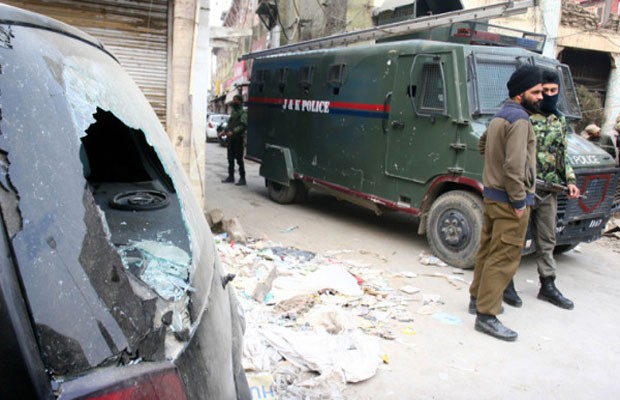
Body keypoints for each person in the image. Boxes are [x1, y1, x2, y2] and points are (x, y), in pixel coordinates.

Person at [468, 65, 542, 341]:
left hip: (493, 195)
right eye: (536, 92)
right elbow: (514, 166)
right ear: (520, 93)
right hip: (510, 201)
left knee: (488, 250)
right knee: (504, 257)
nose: (541, 97)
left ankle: (476, 299)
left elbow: (483, 146)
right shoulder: (520, 120)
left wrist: (494, 170)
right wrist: (519, 201)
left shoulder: (500, 115)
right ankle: (486, 315)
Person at [502, 70, 581, 311]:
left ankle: (548, 284)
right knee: (515, 239)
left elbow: (563, 154)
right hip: (526, 189)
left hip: (549, 190)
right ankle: (506, 283)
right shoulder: (524, 116)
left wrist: (570, 180)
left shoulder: (559, 120)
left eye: (552, 91)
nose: (547, 95)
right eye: (543, 91)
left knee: (547, 240)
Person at [220, 94, 247, 186]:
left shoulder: (243, 113)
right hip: (231, 139)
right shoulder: (234, 112)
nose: (233, 101)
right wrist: (224, 131)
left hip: (238, 139)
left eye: (235, 100)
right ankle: (231, 176)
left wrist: (234, 132)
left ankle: (242, 178)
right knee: (230, 158)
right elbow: (230, 124)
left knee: (239, 159)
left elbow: (243, 125)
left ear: (239, 101)